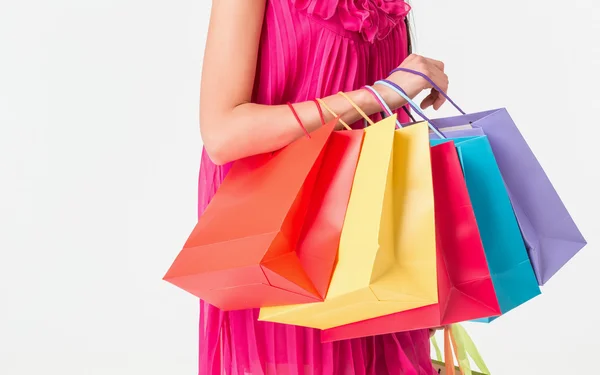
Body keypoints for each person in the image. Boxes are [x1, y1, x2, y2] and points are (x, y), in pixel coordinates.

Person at [198, 1, 450, 374]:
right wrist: (373, 95)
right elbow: (222, 133)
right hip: (280, 235)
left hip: (371, 236)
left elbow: (389, 129)